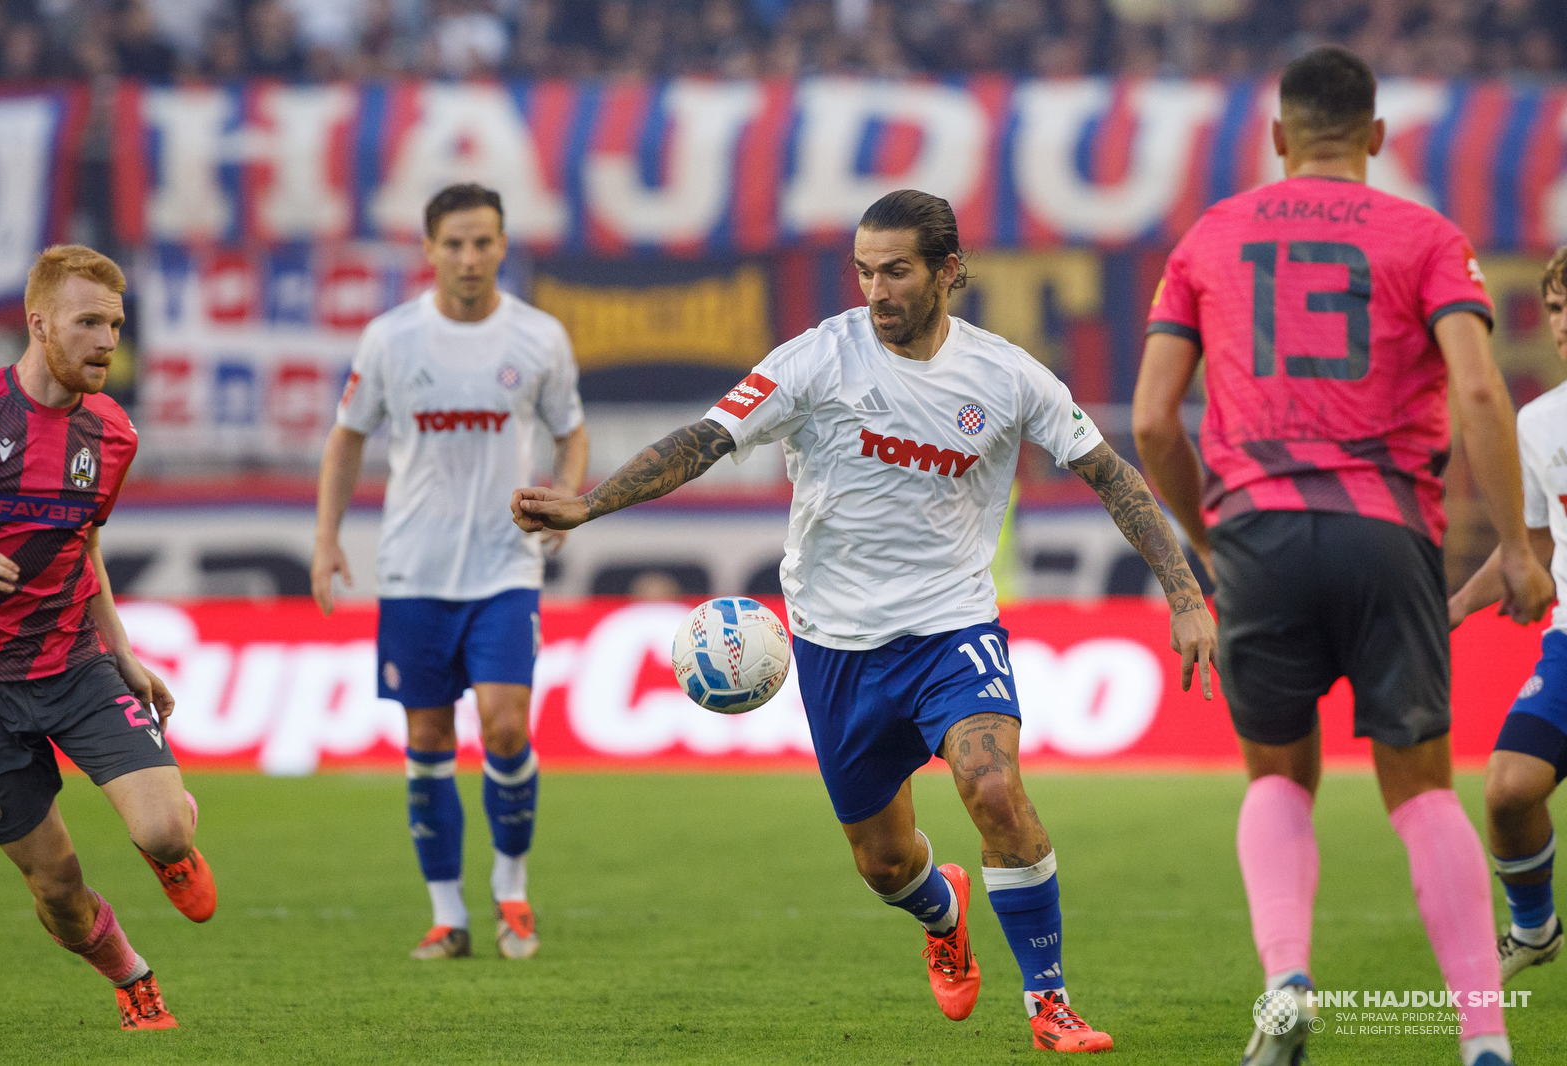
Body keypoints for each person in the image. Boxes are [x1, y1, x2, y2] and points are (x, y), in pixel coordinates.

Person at [512, 189, 1217, 1053]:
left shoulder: (1007, 376)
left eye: (896, 271)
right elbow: (704, 439)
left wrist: (1184, 595)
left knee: (993, 785)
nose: (877, 291)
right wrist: (590, 505)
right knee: (886, 864)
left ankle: (1050, 1002)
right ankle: (943, 914)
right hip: (834, 644)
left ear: (947, 272)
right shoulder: (817, 360)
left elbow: (1112, 474)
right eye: (865, 272)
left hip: (953, 629)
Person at [1132, 46, 1555, 1066]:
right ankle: (1483, 1037)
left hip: (1257, 532)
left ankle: (1285, 979)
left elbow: (1150, 422)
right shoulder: (1425, 235)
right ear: (1374, 134)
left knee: (1277, 777)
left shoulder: (1209, 236)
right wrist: (1512, 544)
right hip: (1386, 531)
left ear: (1279, 137)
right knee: (1417, 787)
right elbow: (1482, 392)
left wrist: (1212, 540)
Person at [312, 183, 589, 961]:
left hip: (506, 566)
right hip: (413, 573)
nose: (470, 257)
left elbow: (572, 432)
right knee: (428, 734)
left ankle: (511, 893)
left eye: (484, 242)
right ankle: (446, 914)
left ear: (504, 246)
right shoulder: (390, 340)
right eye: (455, 244)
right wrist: (327, 538)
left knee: (506, 726)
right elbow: (346, 440)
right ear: (429, 251)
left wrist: (569, 495)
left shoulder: (539, 337)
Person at [0, 245, 215, 1030]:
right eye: (88, 323)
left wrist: (125, 652)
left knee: (165, 827)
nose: (108, 340)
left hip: (75, 663)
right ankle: (132, 976)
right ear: (40, 325)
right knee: (58, 893)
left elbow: (84, 547)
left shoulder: (111, 433)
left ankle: (167, 845)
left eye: (114, 323)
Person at [1449, 247, 1567, 985]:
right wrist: (1458, 606)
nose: (1563, 324)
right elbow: (1537, 543)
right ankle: (1535, 929)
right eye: (1556, 308)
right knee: (1507, 789)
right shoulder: (1541, 422)